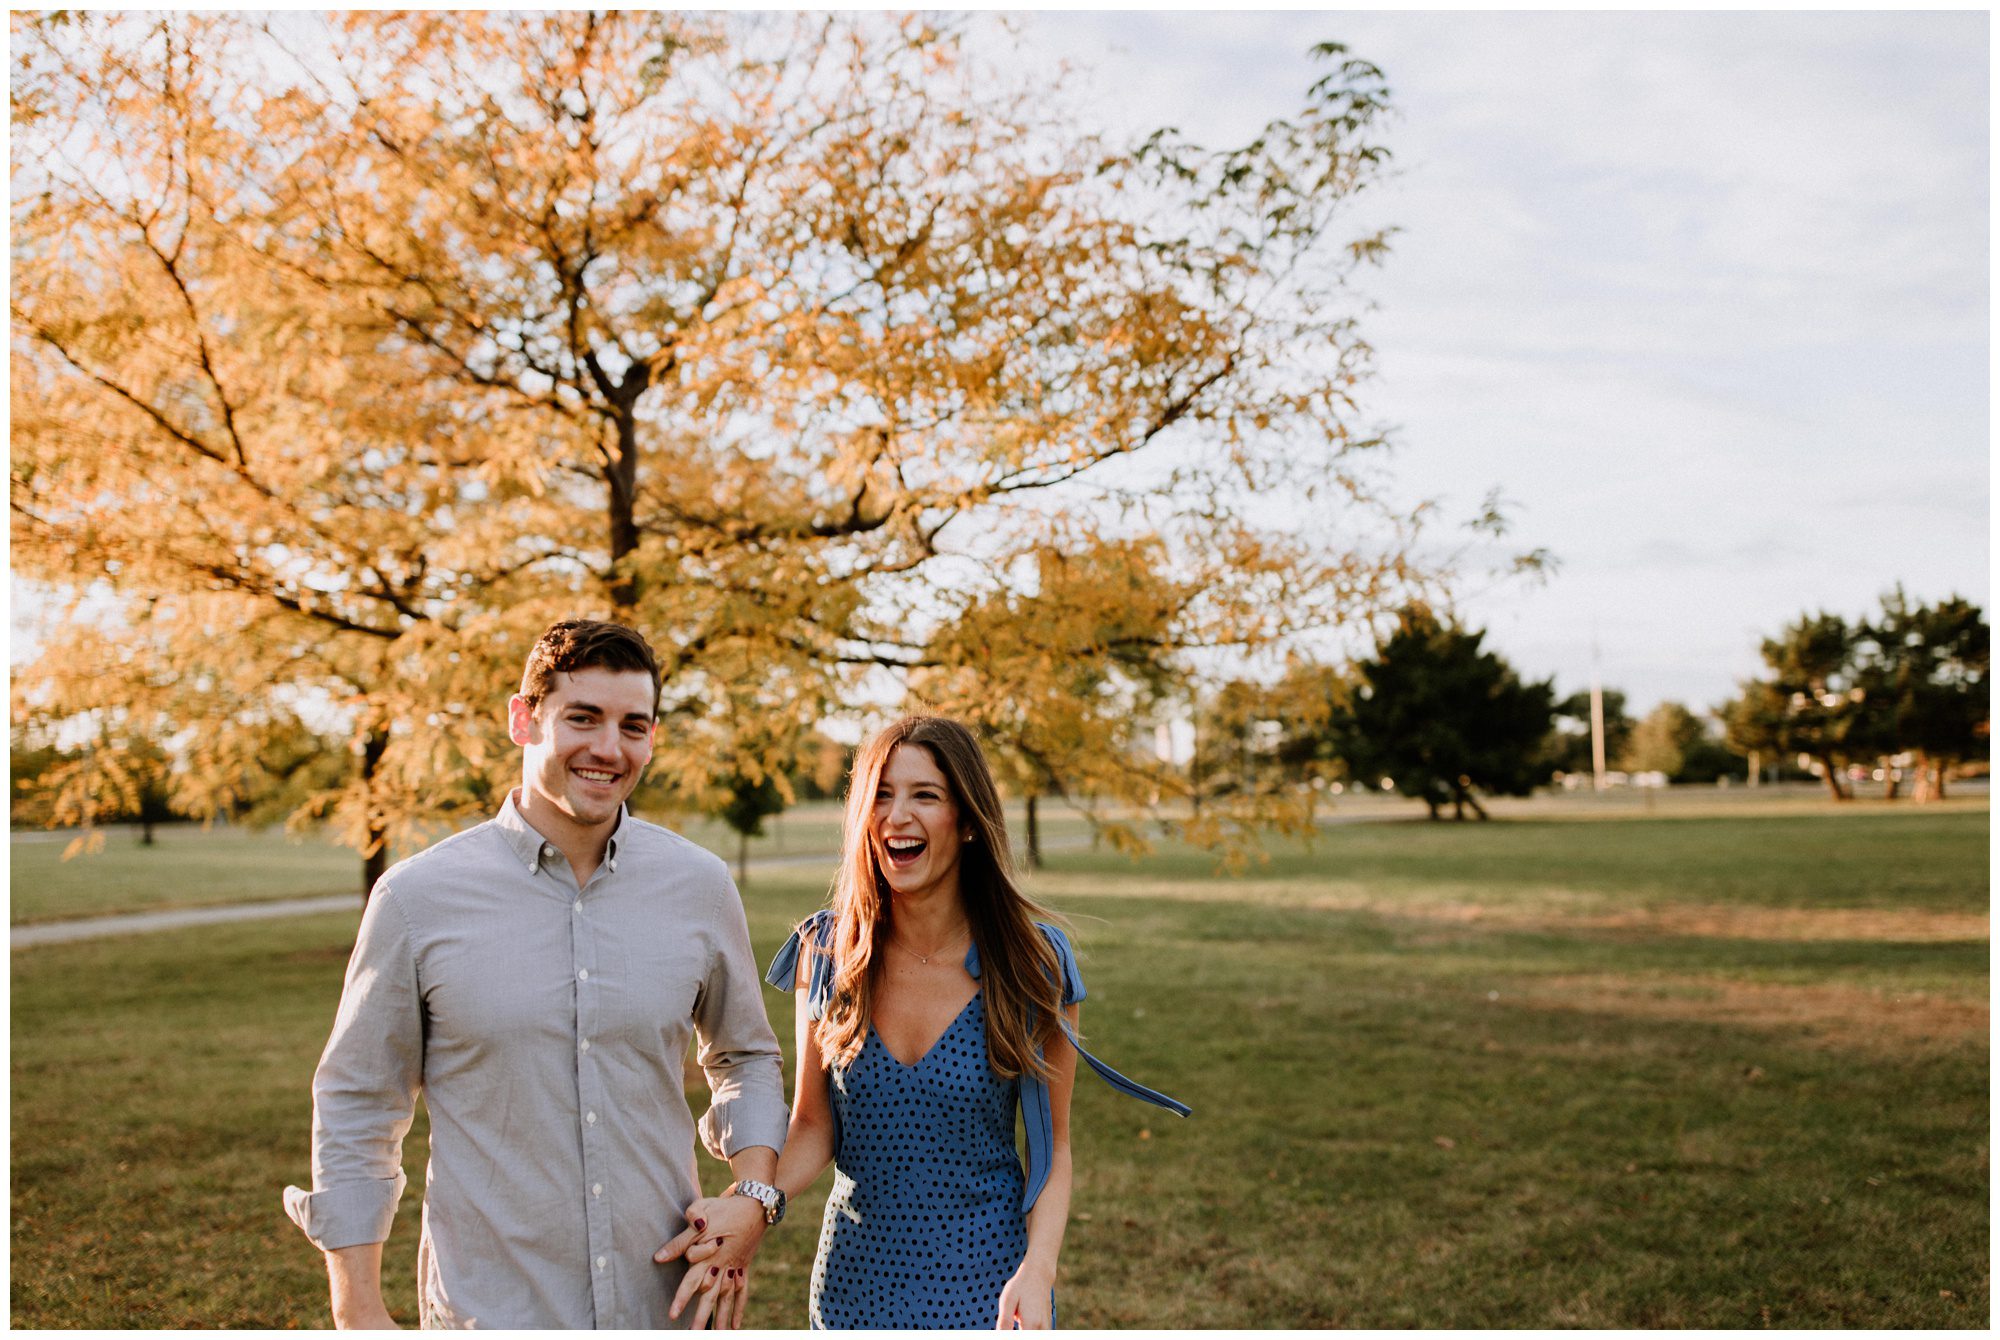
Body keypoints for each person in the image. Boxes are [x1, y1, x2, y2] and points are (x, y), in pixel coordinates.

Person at [283, 619, 787, 1329]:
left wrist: (753, 1194)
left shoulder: (699, 885)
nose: (608, 749)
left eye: (632, 725)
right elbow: (359, 1103)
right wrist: (357, 1308)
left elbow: (746, 1056)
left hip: (664, 1308)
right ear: (524, 719)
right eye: (582, 718)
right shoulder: (414, 899)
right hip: (489, 1309)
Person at [658, 715, 1188, 1329]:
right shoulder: (830, 951)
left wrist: (1038, 1271)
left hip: (990, 1286)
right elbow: (812, 1123)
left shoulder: (1033, 963)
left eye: (924, 795)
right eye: (880, 794)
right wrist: (751, 1205)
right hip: (853, 1287)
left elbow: (1053, 1148)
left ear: (966, 822)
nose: (896, 816)